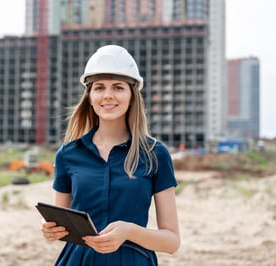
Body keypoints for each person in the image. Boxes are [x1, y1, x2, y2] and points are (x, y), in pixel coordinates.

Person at [41, 45, 180, 265]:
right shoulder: (68, 155)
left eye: (117, 87)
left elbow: (171, 241)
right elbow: (64, 227)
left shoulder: (156, 154)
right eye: (99, 88)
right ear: (89, 96)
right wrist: (52, 232)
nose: (108, 95)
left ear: (132, 95)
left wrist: (129, 231)